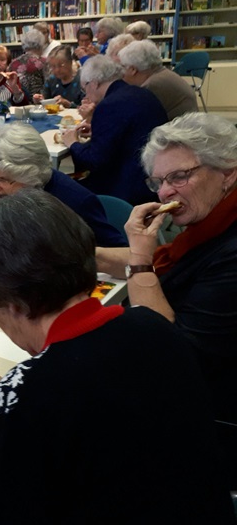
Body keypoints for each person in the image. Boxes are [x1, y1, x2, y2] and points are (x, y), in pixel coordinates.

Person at [0, 190, 233, 523]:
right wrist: (12, 400)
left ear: (11, 303)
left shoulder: (27, 396)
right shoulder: (154, 325)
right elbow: (108, 417)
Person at [95, 113, 237, 487]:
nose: (164, 193)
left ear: (228, 172)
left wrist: (140, 259)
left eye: (179, 176)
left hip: (209, 413)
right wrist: (83, 253)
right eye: (158, 181)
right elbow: (170, 262)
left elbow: (172, 354)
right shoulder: (212, 223)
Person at [0, 124, 126, 247]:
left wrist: (68, 253)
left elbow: (123, 256)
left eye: (4, 180)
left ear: (32, 176)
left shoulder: (74, 201)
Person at [60, 56, 168, 205]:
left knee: (59, 186)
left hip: (124, 188)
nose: (87, 96)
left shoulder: (108, 105)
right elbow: (129, 131)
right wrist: (97, 130)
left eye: (85, 89)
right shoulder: (142, 93)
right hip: (152, 180)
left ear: (94, 83)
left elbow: (94, 161)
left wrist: (73, 143)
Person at [118, 40, 199, 120]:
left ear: (133, 69)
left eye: (122, 67)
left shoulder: (151, 86)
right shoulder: (164, 75)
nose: (121, 73)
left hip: (177, 130)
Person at [9, 30, 47, 101]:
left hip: (19, 101)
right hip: (39, 102)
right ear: (41, 45)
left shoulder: (13, 63)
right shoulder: (45, 62)